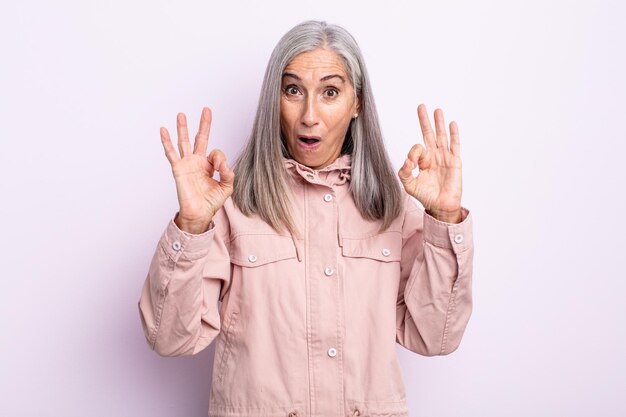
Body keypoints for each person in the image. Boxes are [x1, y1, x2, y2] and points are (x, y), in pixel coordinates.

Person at [138, 20, 474, 417]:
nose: (309, 115)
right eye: (293, 90)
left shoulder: (391, 210)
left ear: (357, 103)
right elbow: (170, 338)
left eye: (330, 92)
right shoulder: (234, 207)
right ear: (274, 100)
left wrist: (444, 217)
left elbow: (434, 336)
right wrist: (191, 226)